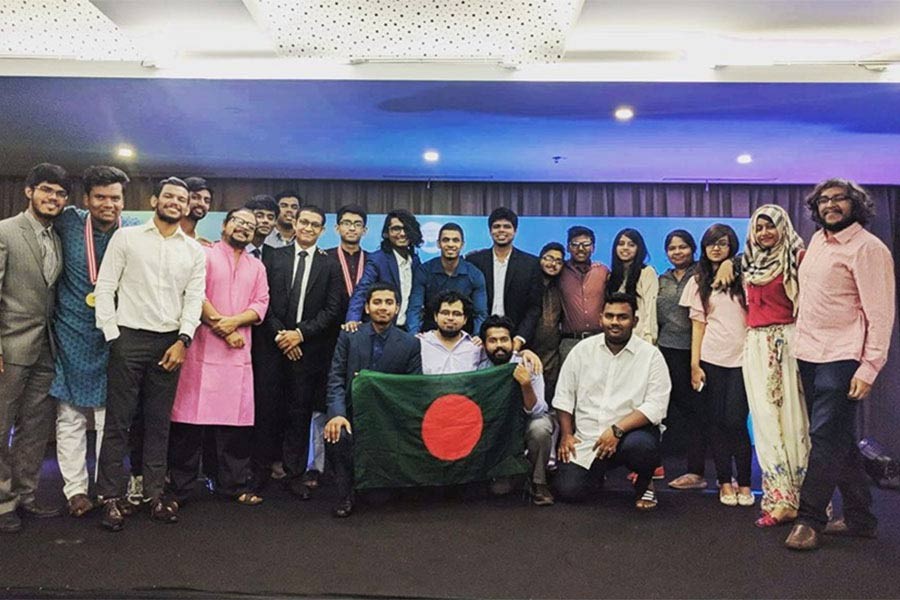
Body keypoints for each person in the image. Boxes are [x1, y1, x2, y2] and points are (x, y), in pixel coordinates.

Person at [785, 179, 895, 551]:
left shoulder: (868, 249)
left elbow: (880, 314)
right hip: (809, 354)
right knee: (840, 438)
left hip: (843, 356)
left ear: (856, 204)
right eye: (824, 200)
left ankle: (809, 518)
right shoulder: (817, 241)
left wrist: (869, 367)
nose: (831, 205)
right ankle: (861, 519)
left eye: (839, 199)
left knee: (825, 438)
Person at [93, 176, 206, 531]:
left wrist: (184, 340)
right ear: (155, 200)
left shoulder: (193, 251)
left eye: (181, 199)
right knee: (118, 423)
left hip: (169, 343)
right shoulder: (126, 237)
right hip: (127, 339)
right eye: (168, 196)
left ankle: (154, 495)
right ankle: (110, 497)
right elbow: (106, 285)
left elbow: (193, 299)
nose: (175, 202)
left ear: (187, 207)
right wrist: (112, 335)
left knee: (159, 424)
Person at [168, 208, 269, 507]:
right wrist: (224, 328)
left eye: (250, 226)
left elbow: (261, 304)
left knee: (234, 428)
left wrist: (233, 322)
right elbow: (195, 293)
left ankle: (233, 486)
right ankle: (180, 489)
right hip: (202, 350)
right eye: (238, 221)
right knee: (189, 425)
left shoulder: (257, 266)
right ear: (224, 225)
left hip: (237, 355)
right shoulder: (205, 254)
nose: (244, 228)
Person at [51, 165, 135, 518]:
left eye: (115, 198)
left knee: (109, 418)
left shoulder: (132, 234)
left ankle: (107, 487)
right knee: (69, 415)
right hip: (71, 331)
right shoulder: (69, 222)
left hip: (113, 336)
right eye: (100, 197)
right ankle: (75, 489)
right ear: (86, 200)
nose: (108, 204)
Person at [552, 293, 671, 511]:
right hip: (588, 439)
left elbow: (656, 405)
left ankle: (645, 481)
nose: (615, 322)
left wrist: (617, 430)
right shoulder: (581, 351)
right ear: (600, 319)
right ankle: (597, 475)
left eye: (622, 317)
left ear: (634, 321)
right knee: (568, 491)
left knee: (642, 448)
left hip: (630, 436)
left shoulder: (651, 356)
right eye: (610, 316)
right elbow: (564, 395)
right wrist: (567, 435)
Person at [0, 163, 68, 534]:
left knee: (35, 429)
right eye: (46, 190)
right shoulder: (5, 232)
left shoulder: (57, 237)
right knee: (0, 426)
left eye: (59, 194)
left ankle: (25, 495)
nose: (53, 198)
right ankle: (2, 501)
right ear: (29, 191)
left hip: (46, 348)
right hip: (9, 346)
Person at [260, 205, 343, 501]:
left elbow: (333, 310)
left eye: (315, 225)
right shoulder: (273, 258)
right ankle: (260, 473)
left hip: (308, 352)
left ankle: (294, 474)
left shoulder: (330, 265)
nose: (308, 228)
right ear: (295, 224)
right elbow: (262, 300)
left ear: (322, 230)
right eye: (303, 222)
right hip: (273, 347)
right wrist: (281, 335)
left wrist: (300, 335)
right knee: (268, 411)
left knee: (299, 413)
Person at [324, 283, 422, 518]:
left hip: (388, 419)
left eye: (389, 303)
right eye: (377, 302)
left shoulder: (410, 343)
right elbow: (336, 378)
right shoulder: (350, 336)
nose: (383, 308)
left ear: (397, 308)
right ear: (367, 307)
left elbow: (412, 388)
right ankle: (344, 494)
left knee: (379, 500)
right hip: (352, 414)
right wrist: (337, 413)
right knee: (337, 432)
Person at [741, 205, 811, 527]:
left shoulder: (798, 258)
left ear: (783, 226)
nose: (765, 233)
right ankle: (778, 497)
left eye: (771, 226)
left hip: (787, 343)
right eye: (759, 228)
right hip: (755, 344)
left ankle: (802, 501)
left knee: (793, 420)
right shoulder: (748, 263)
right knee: (766, 423)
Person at [680, 224, 753, 507]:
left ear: (731, 245)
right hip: (711, 359)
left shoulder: (745, 275)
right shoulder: (698, 281)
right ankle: (724, 482)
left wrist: (732, 263)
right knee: (716, 424)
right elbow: (698, 326)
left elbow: (758, 255)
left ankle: (745, 482)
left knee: (736, 422)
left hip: (744, 360)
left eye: (722, 243)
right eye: (711, 243)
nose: (716, 248)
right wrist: (694, 365)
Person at [305, 204, 370, 490]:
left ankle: (357, 465)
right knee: (321, 405)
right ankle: (316, 466)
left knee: (359, 402)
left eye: (357, 224)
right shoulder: (324, 258)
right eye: (346, 223)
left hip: (362, 342)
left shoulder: (375, 260)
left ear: (365, 230)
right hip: (326, 340)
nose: (352, 228)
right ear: (336, 228)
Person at [480, 315, 555, 506]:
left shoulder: (529, 364)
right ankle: (514, 473)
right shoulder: (478, 367)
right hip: (495, 431)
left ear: (512, 342)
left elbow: (538, 411)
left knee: (541, 427)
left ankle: (539, 482)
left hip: (524, 424)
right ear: (483, 344)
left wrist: (526, 385)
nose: (499, 345)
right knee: (499, 491)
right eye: (493, 340)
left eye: (504, 340)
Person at [657, 230, 708, 491]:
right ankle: (652, 466)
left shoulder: (703, 274)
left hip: (697, 353)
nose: (677, 252)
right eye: (672, 248)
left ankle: (697, 471)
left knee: (696, 412)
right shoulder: (660, 279)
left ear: (693, 249)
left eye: (683, 247)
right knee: (665, 410)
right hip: (665, 351)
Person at [466, 208, 542, 351]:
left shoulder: (531, 264)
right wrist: (475, 334)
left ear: (515, 231)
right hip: (478, 340)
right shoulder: (474, 261)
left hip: (515, 339)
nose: (501, 230)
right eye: (496, 226)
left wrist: (520, 338)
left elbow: (534, 307)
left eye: (507, 226)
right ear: (490, 231)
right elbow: (468, 302)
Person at [345, 208, 423, 331]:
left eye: (406, 228)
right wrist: (352, 320)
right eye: (396, 229)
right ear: (387, 233)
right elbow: (362, 291)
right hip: (380, 330)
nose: (402, 233)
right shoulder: (378, 259)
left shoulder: (415, 261)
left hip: (406, 331)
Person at [407, 223, 488, 336]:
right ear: (438, 244)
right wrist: (413, 335)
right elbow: (415, 308)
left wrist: (477, 337)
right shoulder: (424, 271)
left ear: (462, 245)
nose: (450, 244)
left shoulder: (475, 274)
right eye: (446, 240)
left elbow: (480, 313)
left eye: (455, 240)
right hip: (430, 335)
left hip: (464, 336)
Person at [558, 225, 609, 364]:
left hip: (599, 340)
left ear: (593, 247)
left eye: (586, 244)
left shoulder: (603, 271)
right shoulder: (559, 271)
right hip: (569, 341)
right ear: (568, 247)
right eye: (575, 244)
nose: (580, 248)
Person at [608, 228, 658, 344]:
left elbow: (651, 307)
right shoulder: (612, 276)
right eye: (621, 244)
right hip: (616, 338)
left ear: (638, 249)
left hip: (640, 338)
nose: (625, 248)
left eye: (631, 245)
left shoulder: (647, 272)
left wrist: (649, 337)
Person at [419, 290, 484, 375]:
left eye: (456, 314)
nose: (450, 318)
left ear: (465, 319)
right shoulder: (420, 343)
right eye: (445, 313)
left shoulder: (476, 347)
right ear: (435, 316)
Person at [531, 242, 565, 403]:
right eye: (549, 258)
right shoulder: (527, 283)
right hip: (528, 352)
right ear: (540, 259)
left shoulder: (561, 286)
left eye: (558, 261)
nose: (553, 264)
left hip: (552, 356)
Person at [180, 177, 213, 246]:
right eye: (195, 197)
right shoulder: (161, 233)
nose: (202, 204)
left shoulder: (201, 245)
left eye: (207, 201)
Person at [244, 194, 278, 259]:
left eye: (270, 218)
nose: (266, 221)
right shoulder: (233, 248)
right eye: (259, 216)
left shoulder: (274, 255)